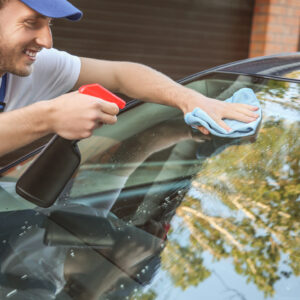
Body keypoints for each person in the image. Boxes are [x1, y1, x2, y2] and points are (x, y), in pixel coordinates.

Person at [0, 0, 259, 157]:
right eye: (30, 23)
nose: (46, 41)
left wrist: (190, 99)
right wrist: (48, 117)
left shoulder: (37, 65)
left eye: (50, 24)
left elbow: (122, 75)